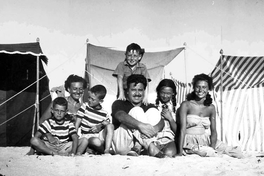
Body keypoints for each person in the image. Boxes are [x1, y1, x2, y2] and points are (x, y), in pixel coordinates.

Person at [178, 73, 243, 158]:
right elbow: (181, 130)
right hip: (189, 141)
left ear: (209, 89)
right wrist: (179, 151)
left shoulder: (211, 108)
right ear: (193, 87)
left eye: (204, 87)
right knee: (205, 152)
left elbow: (213, 131)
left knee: (236, 153)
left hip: (205, 139)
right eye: (198, 87)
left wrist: (212, 148)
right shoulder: (186, 105)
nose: (200, 90)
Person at [111, 74, 164, 157]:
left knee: (153, 111)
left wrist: (154, 129)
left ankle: (138, 146)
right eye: (133, 90)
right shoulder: (119, 103)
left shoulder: (149, 106)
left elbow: (161, 121)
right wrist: (140, 126)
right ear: (127, 91)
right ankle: (150, 145)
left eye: (140, 90)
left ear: (144, 91)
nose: (137, 93)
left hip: (142, 146)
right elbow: (120, 116)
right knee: (137, 110)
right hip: (123, 143)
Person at [75, 85, 114, 155]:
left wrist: (101, 125)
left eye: (93, 99)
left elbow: (107, 124)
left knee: (110, 125)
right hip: (87, 136)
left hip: (99, 135)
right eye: (89, 97)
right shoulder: (85, 106)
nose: (89, 100)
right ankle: (98, 150)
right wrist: (75, 135)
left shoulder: (104, 113)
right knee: (96, 142)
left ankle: (107, 150)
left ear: (101, 101)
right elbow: (77, 122)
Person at [147, 79, 177, 157]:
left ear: (173, 93)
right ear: (158, 92)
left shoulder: (177, 108)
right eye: (162, 92)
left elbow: (178, 131)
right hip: (154, 138)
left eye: (168, 93)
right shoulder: (151, 105)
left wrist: (170, 119)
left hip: (169, 139)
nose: (165, 96)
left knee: (169, 154)